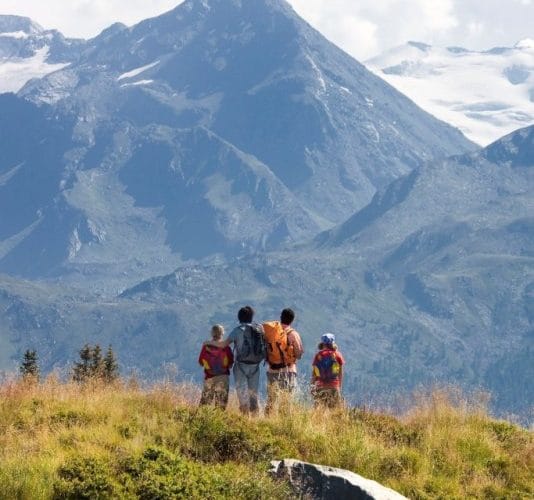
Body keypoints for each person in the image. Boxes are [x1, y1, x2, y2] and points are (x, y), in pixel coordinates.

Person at [223, 306, 265, 415]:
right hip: (255, 365)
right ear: (251, 317)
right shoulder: (259, 329)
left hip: (240, 366)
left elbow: (224, 344)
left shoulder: (237, 331)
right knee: (253, 394)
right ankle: (256, 420)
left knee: (242, 394)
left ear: (239, 317)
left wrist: (209, 343)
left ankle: (245, 419)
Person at [263, 308, 304, 414]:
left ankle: (267, 423)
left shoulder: (271, 333)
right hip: (288, 370)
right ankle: (282, 424)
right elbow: (299, 354)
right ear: (292, 320)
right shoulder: (293, 334)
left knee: (271, 400)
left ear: (280, 317)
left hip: (272, 370)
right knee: (286, 401)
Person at [198, 324, 234, 409]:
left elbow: (200, 362)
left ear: (212, 333)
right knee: (221, 405)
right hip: (223, 377)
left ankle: (201, 421)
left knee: (205, 404)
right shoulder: (226, 347)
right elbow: (230, 364)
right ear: (222, 333)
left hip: (209, 377)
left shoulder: (206, 346)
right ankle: (219, 421)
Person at [311, 333, 344, 408]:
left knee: (319, 413)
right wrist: (339, 387)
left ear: (322, 343)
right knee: (335, 413)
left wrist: (312, 386)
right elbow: (340, 373)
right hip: (334, 387)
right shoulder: (337, 355)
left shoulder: (318, 355)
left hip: (320, 387)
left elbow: (314, 374)